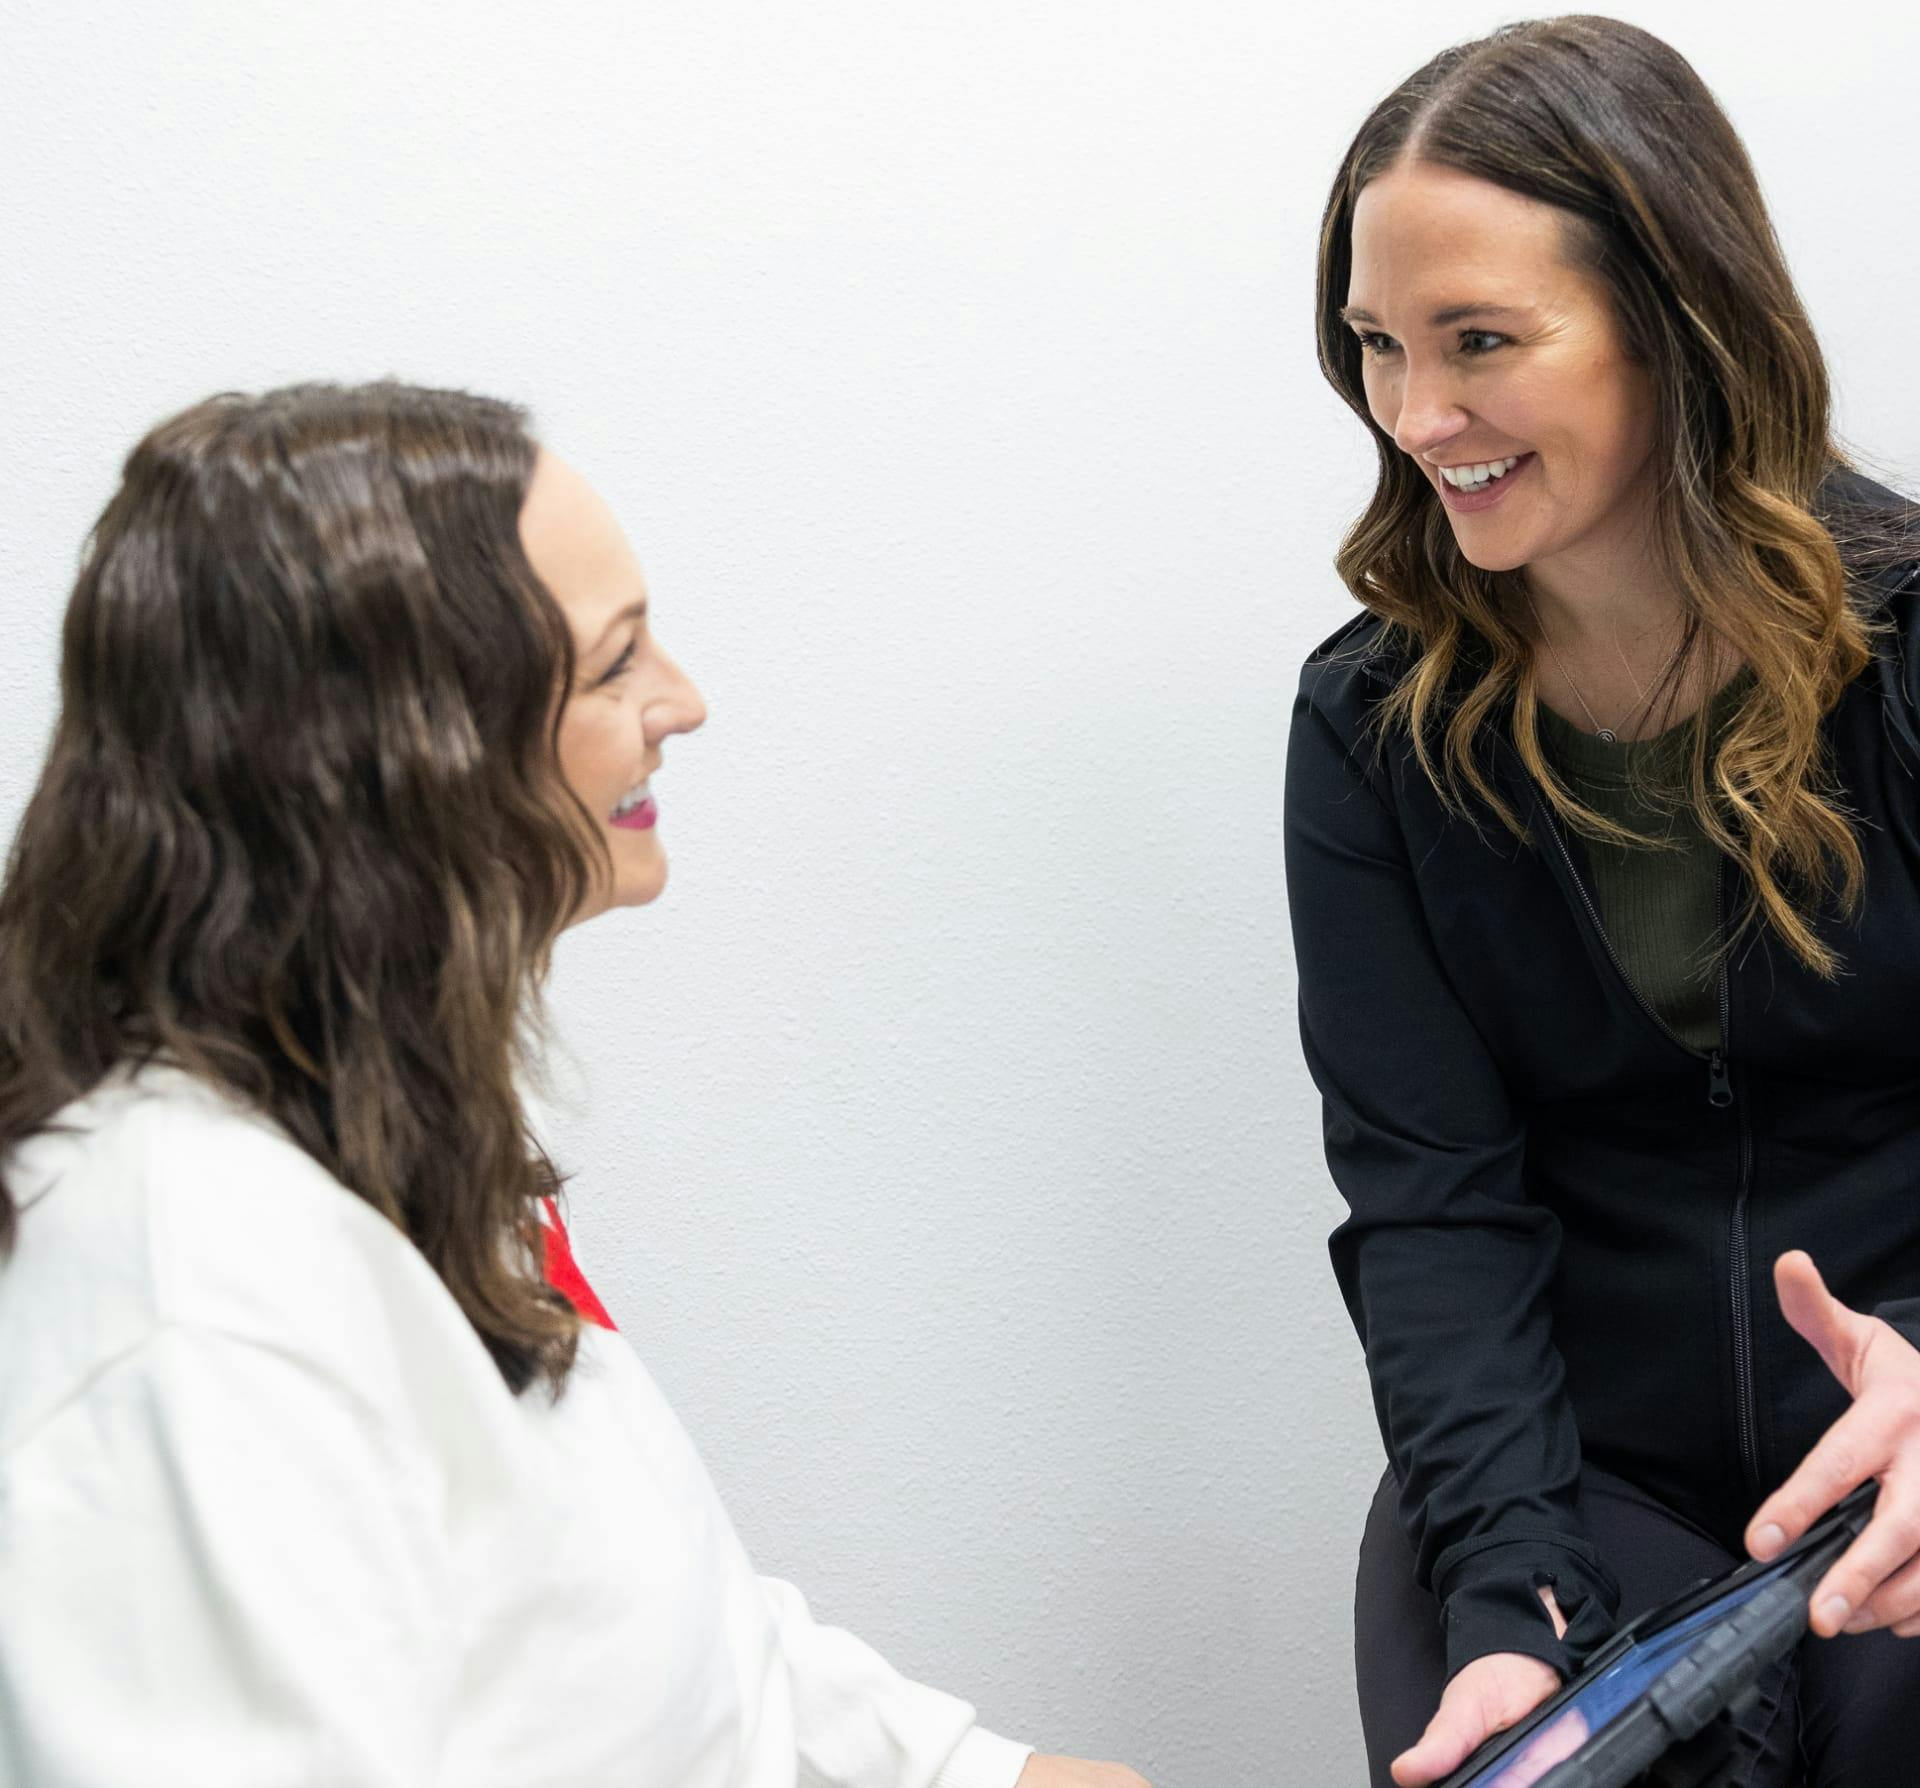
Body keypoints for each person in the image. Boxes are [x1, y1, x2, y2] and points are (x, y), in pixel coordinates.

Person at [0, 380, 1149, 1788]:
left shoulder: (376, 1119)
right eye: (613, 666)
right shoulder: (191, 1305)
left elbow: (633, 1625)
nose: (684, 702)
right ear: (397, 758)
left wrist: (978, 1774)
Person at [1285, 17, 1920, 1788]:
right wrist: (1509, 1583)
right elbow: (1432, 1205)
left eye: (1480, 342)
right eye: (1379, 349)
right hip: (1574, 1476)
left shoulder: (1913, 651)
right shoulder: (1371, 730)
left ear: (1676, 318)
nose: (1418, 418)